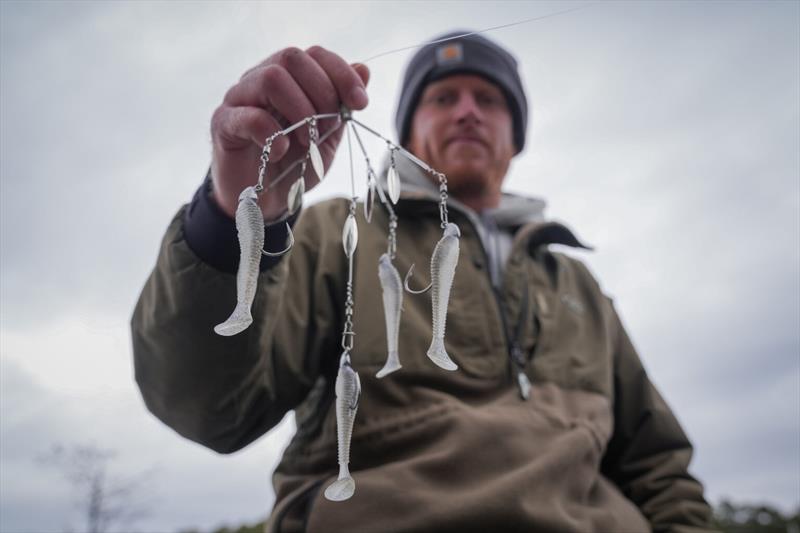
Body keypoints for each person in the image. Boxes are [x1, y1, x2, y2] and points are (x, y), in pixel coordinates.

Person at [132, 31, 714, 532]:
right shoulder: (333, 231)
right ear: (408, 127)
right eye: (442, 97)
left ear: (516, 137)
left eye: (488, 99)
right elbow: (209, 410)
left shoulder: (579, 286)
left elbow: (660, 469)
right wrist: (237, 209)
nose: (467, 111)